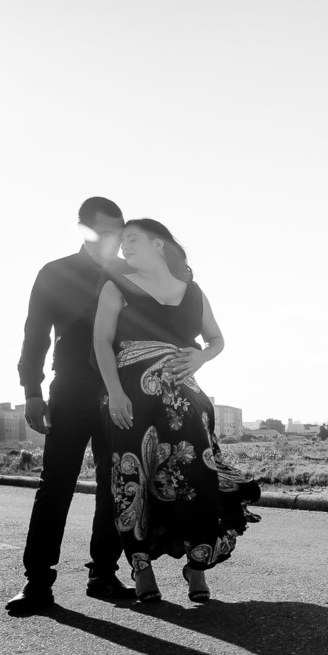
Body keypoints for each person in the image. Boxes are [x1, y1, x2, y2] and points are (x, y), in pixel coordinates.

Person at [92, 219, 261, 602]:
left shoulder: (192, 292)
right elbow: (102, 341)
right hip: (129, 398)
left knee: (197, 476)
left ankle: (196, 566)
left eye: (132, 239)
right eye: (122, 241)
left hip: (185, 401)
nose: (124, 246)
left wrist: (201, 356)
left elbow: (216, 339)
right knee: (132, 477)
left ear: (158, 244)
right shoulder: (116, 285)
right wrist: (115, 393)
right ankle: (142, 568)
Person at [6, 197, 138, 614]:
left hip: (119, 392)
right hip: (71, 390)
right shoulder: (56, 272)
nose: (114, 239)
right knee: (56, 483)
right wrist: (32, 390)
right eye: (106, 231)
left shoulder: (130, 274)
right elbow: (35, 334)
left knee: (114, 485)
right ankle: (37, 582)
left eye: (119, 231)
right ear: (84, 229)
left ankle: (103, 573)